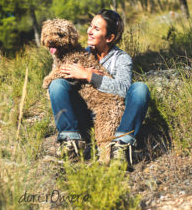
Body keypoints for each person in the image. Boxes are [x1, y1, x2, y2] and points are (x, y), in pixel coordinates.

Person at [48, 9, 150, 165]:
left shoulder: (122, 59)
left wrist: (89, 76)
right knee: (57, 85)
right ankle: (71, 142)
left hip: (113, 116)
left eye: (96, 29)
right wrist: (75, 76)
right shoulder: (80, 53)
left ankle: (121, 145)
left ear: (109, 38)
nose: (89, 31)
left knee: (140, 89)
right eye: (90, 26)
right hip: (85, 117)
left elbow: (123, 89)